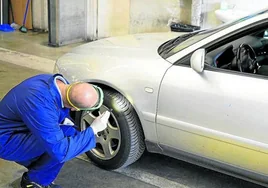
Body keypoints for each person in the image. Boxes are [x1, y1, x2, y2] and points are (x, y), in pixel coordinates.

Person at [0, 73, 110, 188]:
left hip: (20, 128)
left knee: (68, 133)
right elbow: (61, 152)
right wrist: (93, 130)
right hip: (6, 141)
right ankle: (35, 182)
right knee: (66, 140)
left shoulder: (55, 82)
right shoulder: (39, 104)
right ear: (74, 108)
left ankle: (38, 171)